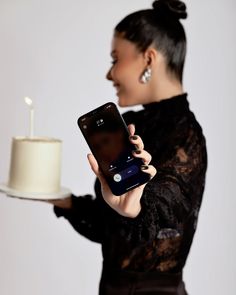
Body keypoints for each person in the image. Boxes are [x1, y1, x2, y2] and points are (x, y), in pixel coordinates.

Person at [51, 0, 207, 294]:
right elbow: (111, 227)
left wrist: (136, 206)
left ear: (148, 59)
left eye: (115, 59)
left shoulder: (186, 135)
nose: (109, 74)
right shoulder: (131, 124)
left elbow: (166, 206)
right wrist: (63, 200)